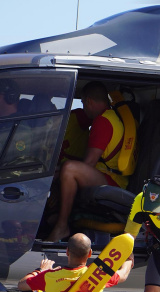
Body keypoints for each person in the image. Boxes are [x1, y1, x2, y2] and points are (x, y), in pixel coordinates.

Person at [46, 81, 128, 242]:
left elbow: (89, 163)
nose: (83, 107)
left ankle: (62, 226)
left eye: (83, 103)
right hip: (107, 175)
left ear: (88, 101)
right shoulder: (110, 116)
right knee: (62, 170)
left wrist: (61, 170)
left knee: (69, 169)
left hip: (112, 180)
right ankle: (54, 219)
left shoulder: (102, 121)